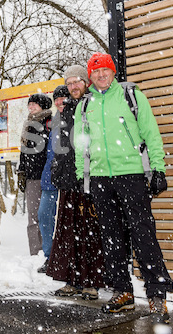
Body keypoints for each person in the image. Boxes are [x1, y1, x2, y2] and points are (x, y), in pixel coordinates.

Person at [73, 53, 172, 323]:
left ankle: (157, 294)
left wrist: (158, 167)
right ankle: (123, 292)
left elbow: (150, 130)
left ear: (113, 72)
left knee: (143, 234)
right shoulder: (85, 105)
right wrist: (85, 180)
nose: (101, 75)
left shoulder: (130, 94)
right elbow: (80, 145)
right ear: (89, 77)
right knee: (111, 237)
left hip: (131, 174)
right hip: (101, 178)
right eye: (95, 72)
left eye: (105, 70)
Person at [46, 66, 105, 301]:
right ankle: (72, 279)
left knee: (91, 232)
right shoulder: (66, 109)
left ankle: (91, 282)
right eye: (69, 83)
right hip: (69, 180)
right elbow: (62, 146)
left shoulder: (94, 104)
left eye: (77, 81)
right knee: (69, 233)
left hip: (90, 178)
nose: (73, 87)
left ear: (86, 81)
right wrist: (58, 170)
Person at [36, 86, 68, 273]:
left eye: (62, 97)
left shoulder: (75, 117)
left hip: (69, 178)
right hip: (50, 177)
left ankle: (65, 258)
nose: (59, 102)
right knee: (44, 215)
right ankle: (50, 256)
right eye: (56, 99)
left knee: (65, 220)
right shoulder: (54, 120)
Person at [17, 93, 52, 257]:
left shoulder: (49, 123)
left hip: (48, 177)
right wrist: (21, 171)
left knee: (45, 215)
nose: (31, 107)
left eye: (34, 104)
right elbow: (24, 153)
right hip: (32, 178)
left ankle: (48, 251)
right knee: (32, 216)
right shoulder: (28, 125)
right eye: (29, 104)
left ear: (43, 106)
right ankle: (35, 252)